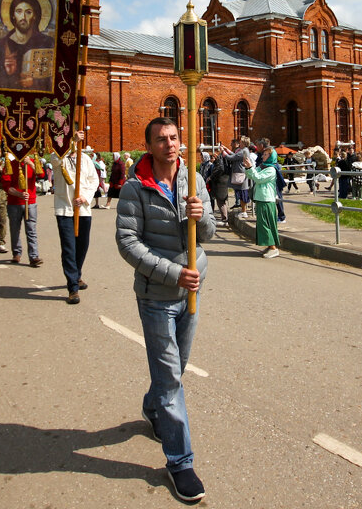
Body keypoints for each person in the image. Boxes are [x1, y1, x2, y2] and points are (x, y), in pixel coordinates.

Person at [115, 117, 215, 503]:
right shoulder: (134, 188)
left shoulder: (195, 181)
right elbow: (128, 243)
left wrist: (200, 215)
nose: (169, 145)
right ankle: (180, 463)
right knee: (172, 378)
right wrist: (174, 274)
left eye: (174, 138)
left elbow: (209, 235)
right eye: (161, 139)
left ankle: (151, 407)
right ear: (150, 145)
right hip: (157, 296)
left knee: (177, 366)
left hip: (192, 291)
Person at [50, 133, 100, 303]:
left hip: (83, 209)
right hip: (65, 209)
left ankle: (77, 274)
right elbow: (55, 160)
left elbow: (94, 180)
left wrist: (85, 197)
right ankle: (72, 287)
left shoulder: (85, 159)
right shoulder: (58, 156)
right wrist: (70, 142)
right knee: (69, 248)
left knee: (82, 245)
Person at [0, 0, 55, 90]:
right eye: (19, 11)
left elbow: (53, 77)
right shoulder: (0, 45)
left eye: (28, 12)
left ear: (35, 16)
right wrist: (8, 72)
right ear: (13, 15)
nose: (23, 17)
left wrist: (34, 82)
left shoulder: (47, 43)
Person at [1, 152, 41, 266]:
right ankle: (17, 253)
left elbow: (42, 174)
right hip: (14, 203)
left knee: (31, 230)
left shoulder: (33, 163)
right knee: (15, 229)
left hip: (31, 202)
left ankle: (34, 256)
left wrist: (31, 164)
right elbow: (6, 186)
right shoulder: (10, 165)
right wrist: (19, 194)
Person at [246, 146, 281, 257]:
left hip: (267, 199)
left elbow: (258, 178)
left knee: (266, 224)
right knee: (262, 224)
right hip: (261, 198)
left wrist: (251, 167)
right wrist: (248, 168)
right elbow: (251, 175)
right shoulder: (263, 167)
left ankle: (273, 248)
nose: (263, 156)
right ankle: (269, 246)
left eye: (266, 154)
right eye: (263, 154)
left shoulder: (271, 169)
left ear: (271, 156)